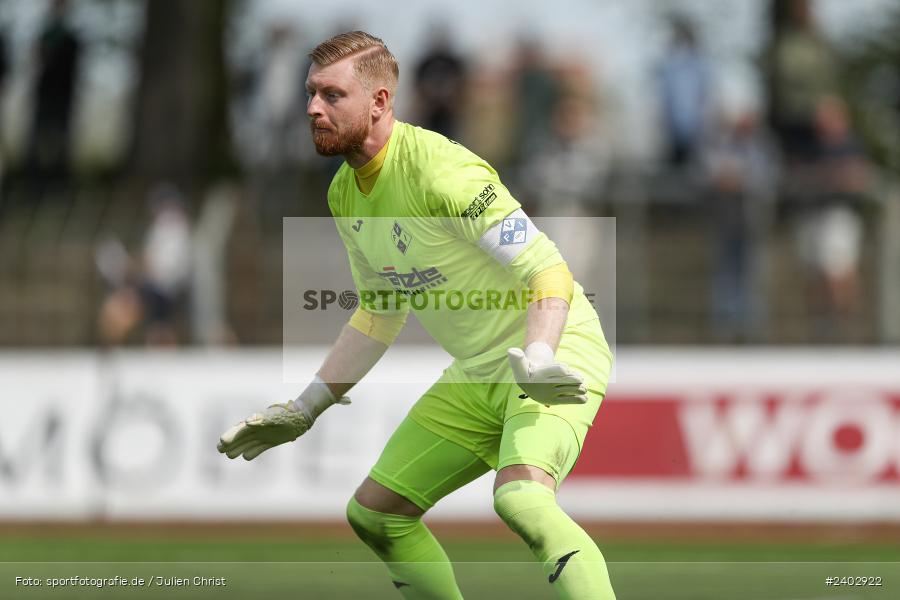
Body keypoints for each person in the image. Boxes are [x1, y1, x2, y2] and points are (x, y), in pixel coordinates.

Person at [218, 31, 615, 599]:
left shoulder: (440, 170)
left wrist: (540, 354)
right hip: (478, 372)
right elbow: (379, 314)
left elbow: (547, 269)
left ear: (380, 102)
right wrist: (306, 409)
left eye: (332, 95)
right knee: (375, 515)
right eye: (310, 93)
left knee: (520, 498)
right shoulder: (343, 194)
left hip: (553, 352)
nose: (311, 108)